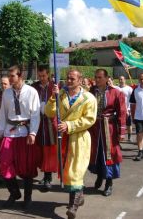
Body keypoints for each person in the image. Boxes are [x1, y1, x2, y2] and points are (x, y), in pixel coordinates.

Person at [45, 69, 97, 219]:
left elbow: (89, 119)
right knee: (68, 171)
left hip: (79, 139)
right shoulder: (60, 94)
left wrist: (70, 125)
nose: (68, 81)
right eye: (67, 78)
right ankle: (78, 197)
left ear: (80, 80)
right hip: (63, 139)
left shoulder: (88, 98)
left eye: (72, 79)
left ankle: (73, 207)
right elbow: (49, 112)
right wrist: (53, 98)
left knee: (76, 171)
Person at [0, 65, 41, 209]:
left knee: (27, 167)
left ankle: (28, 197)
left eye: (12, 76)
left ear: (20, 76)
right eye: (8, 76)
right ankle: (14, 193)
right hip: (10, 132)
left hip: (25, 133)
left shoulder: (31, 91)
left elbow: (35, 114)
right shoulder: (7, 93)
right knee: (4, 163)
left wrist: (33, 132)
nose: (10, 79)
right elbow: (2, 114)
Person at [88, 69, 126, 197]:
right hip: (94, 128)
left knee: (110, 154)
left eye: (99, 77)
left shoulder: (116, 92)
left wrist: (122, 131)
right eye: (96, 77)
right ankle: (100, 175)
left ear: (106, 78)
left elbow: (122, 112)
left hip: (108, 128)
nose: (97, 80)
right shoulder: (92, 91)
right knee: (97, 153)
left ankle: (109, 183)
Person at [31, 65, 57, 192]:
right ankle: (43, 173)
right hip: (37, 122)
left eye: (44, 76)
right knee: (38, 149)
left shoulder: (55, 87)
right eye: (39, 76)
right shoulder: (33, 87)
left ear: (48, 75)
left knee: (49, 150)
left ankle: (48, 177)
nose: (41, 78)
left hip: (50, 123)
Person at [118, 76, 133, 142]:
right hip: (119, 109)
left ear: (125, 80)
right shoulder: (117, 88)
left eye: (122, 79)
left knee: (128, 124)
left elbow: (132, 99)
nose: (120, 80)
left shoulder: (129, 89)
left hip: (127, 108)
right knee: (119, 123)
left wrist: (129, 109)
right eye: (119, 79)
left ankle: (129, 136)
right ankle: (120, 136)